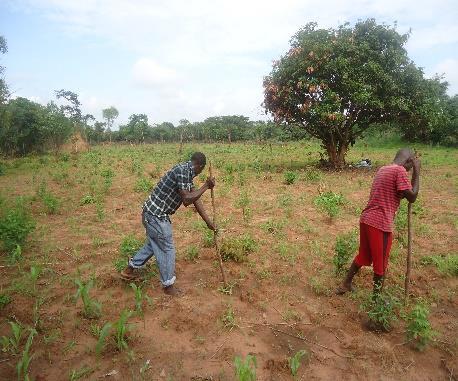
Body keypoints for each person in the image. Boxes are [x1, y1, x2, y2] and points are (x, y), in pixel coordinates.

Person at [120, 152, 216, 296]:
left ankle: (129, 270)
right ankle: (168, 286)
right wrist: (206, 186)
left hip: (150, 214)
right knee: (167, 248)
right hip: (156, 216)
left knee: (154, 243)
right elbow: (187, 199)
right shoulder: (183, 171)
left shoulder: (186, 172)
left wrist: (209, 223)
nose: (199, 173)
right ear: (200, 166)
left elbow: (195, 199)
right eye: (200, 171)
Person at [337, 148, 420, 296]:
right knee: (380, 265)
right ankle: (376, 308)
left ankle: (346, 284)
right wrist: (417, 171)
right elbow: (412, 197)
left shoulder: (384, 169)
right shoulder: (399, 171)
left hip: (366, 219)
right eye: (411, 165)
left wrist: (411, 176)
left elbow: (399, 194)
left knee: (364, 255)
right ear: (408, 161)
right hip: (380, 224)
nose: (409, 169)